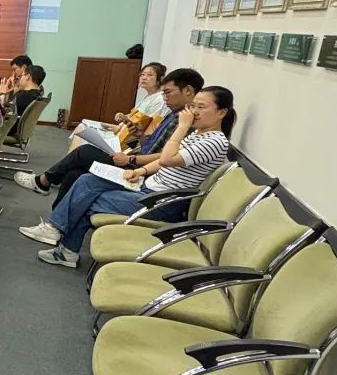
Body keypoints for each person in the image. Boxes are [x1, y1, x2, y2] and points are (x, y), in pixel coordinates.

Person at [26, 86, 235, 268]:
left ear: (221, 112)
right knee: (87, 180)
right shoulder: (199, 134)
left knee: (88, 199)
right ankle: (55, 230)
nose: (194, 112)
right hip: (148, 187)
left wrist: (182, 127)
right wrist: (139, 171)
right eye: (193, 106)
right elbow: (163, 158)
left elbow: (167, 159)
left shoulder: (214, 142)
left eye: (201, 107)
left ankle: (65, 248)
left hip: (160, 202)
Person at [16, 69, 203, 238]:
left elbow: (165, 158)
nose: (164, 97)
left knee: (84, 153)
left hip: (142, 172)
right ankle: (56, 226)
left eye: (168, 92)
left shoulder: (187, 123)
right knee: (75, 174)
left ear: (187, 91)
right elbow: (154, 146)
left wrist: (131, 159)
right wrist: (139, 136)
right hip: (140, 164)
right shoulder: (173, 115)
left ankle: (44, 183)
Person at [0, 64, 46, 133]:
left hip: (7, 128)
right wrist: (12, 91)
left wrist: (2, 93)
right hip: (18, 128)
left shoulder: (24, 96)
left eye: (22, 75)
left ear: (28, 77)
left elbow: (1, 112)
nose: (20, 79)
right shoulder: (36, 94)